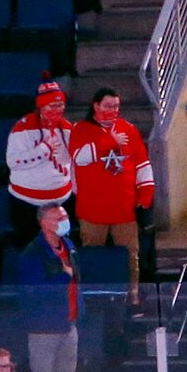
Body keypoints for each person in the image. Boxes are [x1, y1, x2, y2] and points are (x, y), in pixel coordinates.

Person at [68, 87, 152, 298]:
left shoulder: (129, 130)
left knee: (131, 258)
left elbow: (142, 164)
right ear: (95, 106)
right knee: (92, 258)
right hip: (92, 211)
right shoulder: (81, 130)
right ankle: (94, 299)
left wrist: (146, 194)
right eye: (107, 106)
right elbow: (80, 157)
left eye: (116, 106)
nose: (112, 110)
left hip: (124, 210)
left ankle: (132, 299)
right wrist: (109, 142)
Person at [4, 78, 76, 241]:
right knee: (30, 249)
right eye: (53, 105)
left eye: (61, 105)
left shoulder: (67, 129)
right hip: (27, 204)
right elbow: (14, 162)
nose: (58, 109)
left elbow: (73, 163)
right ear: (41, 106)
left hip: (61, 202)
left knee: (62, 248)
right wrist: (44, 150)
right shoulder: (23, 129)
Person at [16, 202, 82, 372]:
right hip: (44, 328)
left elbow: (76, 279)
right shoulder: (32, 253)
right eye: (59, 218)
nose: (65, 221)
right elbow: (33, 292)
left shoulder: (68, 244)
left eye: (66, 217)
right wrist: (63, 277)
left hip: (69, 323)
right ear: (44, 223)